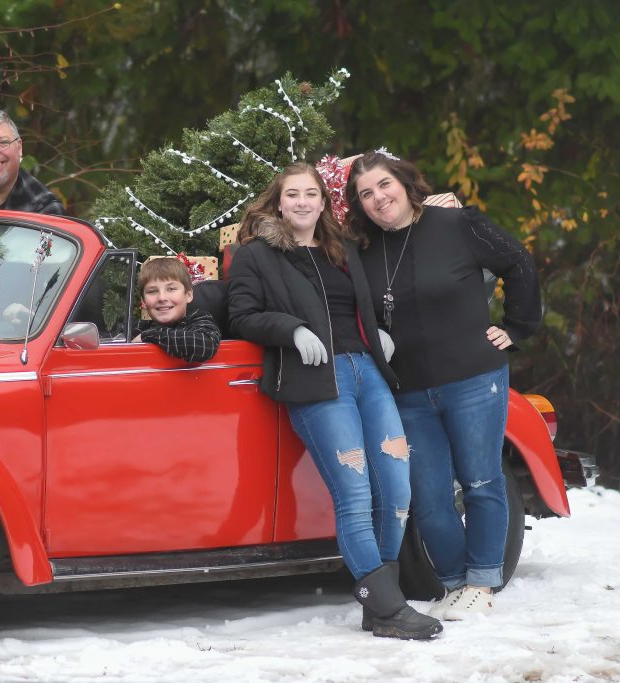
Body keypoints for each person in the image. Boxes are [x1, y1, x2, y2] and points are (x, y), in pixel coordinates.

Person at [227, 163, 442, 640]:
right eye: (292, 194)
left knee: (396, 488)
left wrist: (378, 334)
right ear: (278, 202)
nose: (302, 202)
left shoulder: (341, 249)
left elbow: (363, 304)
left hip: (368, 372)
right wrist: (292, 329)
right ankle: (387, 606)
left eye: (311, 194)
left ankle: (381, 601)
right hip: (316, 383)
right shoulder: (255, 256)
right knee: (354, 493)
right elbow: (242, 315)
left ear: (323, 203)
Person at [345, 150, 541, 620]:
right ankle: (455, 582)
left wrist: (516, 328)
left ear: (405, 183)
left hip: (474, 378)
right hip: (408, 391)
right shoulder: (363, 248)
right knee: (428, 497)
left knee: (480, 479)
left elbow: (518, 262)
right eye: (365, 193)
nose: (378, 198)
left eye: (384, 185)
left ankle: (482, 581)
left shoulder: (456, 224)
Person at [132, 257, 220, 363]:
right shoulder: (139, 328)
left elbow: (205, 346)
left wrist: (148, 335)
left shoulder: (200, 319)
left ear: (188, 295)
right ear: (144, 301)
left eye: (171, 289)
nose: (162, 298)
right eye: (152, 291)